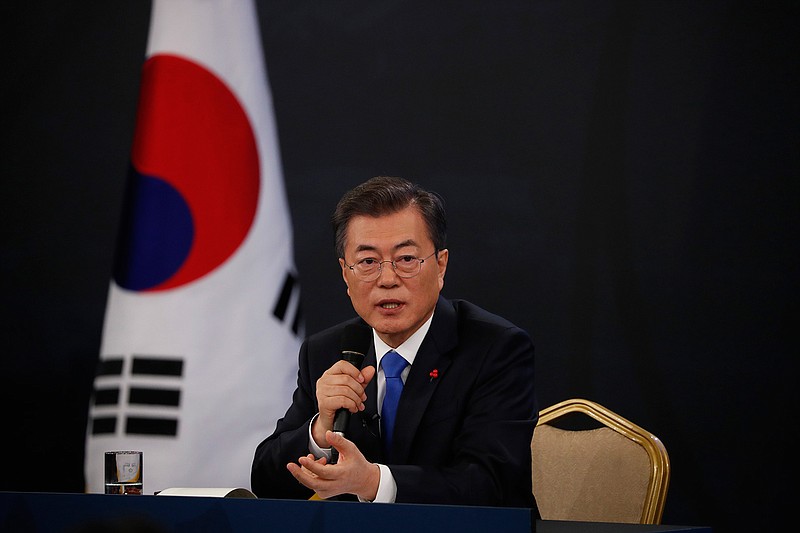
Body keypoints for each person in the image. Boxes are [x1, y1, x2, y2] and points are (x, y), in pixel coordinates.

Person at [251, 176, 538, 510]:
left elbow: (492, 485)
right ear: (346, 274)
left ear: (440, 265)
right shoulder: (327, 352)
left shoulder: (495, 348)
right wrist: (320, 430)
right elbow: (267, 483)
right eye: (368, 262)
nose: (387, 280)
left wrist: (373, 482)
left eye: (406, 259)